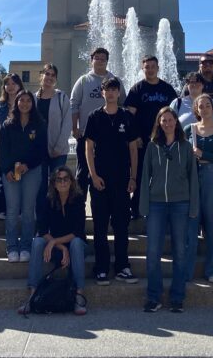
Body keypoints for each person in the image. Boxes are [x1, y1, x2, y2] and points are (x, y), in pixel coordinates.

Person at [140, 108, 198, 313]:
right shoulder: (152, 147)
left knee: (180, 252)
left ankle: (177, 297)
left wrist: (193, 207)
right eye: (163, 120)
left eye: (170, 120)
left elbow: (193, 178)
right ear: (159, 123)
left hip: (180, 203)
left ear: (176, 122)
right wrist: (144, 205)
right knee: (152, 251)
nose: (167, 123)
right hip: (156, 203)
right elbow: (145, 176)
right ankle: (154, 297)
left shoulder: (185, 147)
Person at [84, 76, 139, 286]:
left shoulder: (126, 116)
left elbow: (133, 148)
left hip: (122, 180)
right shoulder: (94, 117)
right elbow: (88, 148)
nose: (111, 93)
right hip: (100, 180)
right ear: (102, 93)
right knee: (99, 226)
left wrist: (133, 177)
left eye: (114, 90)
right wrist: (94, 175)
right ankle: (101, 268)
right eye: (107, 90)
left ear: (118, 93)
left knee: (121, 225)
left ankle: (123, 266)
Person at [19, 165, 88, 316]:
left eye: (66, 179)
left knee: (76, 243)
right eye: (59, 180)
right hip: (57, 246)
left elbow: (78, 231)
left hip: (76, 245)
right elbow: (42, 229)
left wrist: (54, 242)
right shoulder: (48, 200)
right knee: (37, 242)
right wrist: (60, 246)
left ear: (71, 182)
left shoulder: (77, 199)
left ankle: (79, 294)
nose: (63, 182)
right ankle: (33, 294)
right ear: (54, 183)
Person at [124, 55, 178, 220]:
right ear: (143, 69)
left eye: (153, 66)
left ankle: (162, 208)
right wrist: (135, 137)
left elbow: (174, 115)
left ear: (158, 68)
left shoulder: (167, 89)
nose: (150, 69)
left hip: (163, 141)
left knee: (162, 175)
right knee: (140, 175)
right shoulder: (137, 89)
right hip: (142, 142)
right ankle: (137, 209)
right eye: (147, 67)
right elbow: (129, 116)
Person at [0, 90, 47, 262]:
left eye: (28, 100)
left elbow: (42, 150)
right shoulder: (7, 125)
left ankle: (26, 246)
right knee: (12, 210)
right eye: (22, 100)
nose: (25, 103)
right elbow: (3, 151)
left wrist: (29, 165)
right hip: (11, 174)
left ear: (32, 104)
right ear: (16, 103)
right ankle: (12, 247)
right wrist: (7, 170)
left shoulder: (39, 124)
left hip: (32, 172)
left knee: (28, 211)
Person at [186, 94, 213, 283]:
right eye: (200, 106)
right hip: (193, 179)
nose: (204, 109)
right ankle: (186, 270)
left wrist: (204, 154)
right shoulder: (190, 129)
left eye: (207, 106)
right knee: (190, 227)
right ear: (196, 110)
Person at [71, 47, 124, 197]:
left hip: (110, 137)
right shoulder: (83, 81)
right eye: (97, 58)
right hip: (86, 135)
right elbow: (73, 105)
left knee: (108, 170)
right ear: (92, 60)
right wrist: (75, 128)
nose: (100, 61)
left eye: (103, 58)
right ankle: (79, 206)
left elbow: (124, 103)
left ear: (107, 61)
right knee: (82, 172)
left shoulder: (115, 80)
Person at [34, 64, 72, 220]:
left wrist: (58, 146)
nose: (49, 77)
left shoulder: (61, 97)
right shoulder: (33, 98)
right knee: (41, 188)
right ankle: (42, 223)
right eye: (47, 74)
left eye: (53, 75)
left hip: (58, 150)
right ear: (41, 76)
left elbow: (67, 123)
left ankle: (58, 220)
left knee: (59, 187)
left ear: (55, 79)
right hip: (38, 151)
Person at [0, 73, 25, 219]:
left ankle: (18, 210)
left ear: (19, 85)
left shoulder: (25, 103)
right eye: (8, 84)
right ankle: (3, 209)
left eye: (14, 84)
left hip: (19, 147)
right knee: (3, 177)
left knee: (19, 177)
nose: (11, 87)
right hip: (2, 146)